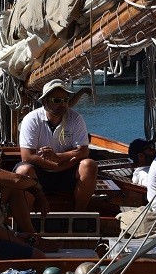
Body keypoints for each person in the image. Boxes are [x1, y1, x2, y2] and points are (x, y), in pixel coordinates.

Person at [0, 127, 61, 261]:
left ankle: (32, 237)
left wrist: (17, 235)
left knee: (13, 188)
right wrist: (22, 242)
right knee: (38, 257)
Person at [15, 78, 98, 210]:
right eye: (57, 101)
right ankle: (26, 222)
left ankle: (78, 215)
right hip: (40, 173)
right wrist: (56, 166)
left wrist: (57, 158)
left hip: (66, 172)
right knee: (24, 171)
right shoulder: (31, 119)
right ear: (44, 102)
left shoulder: (76, 118)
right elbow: (27, 157)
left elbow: (83, 151)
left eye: (65, 100)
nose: (63, 104)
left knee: (89, 165)